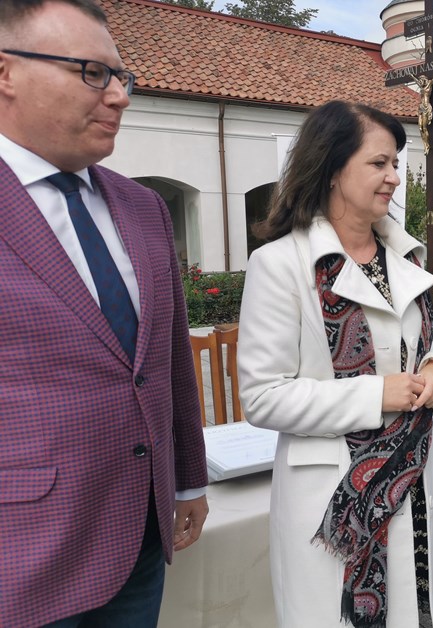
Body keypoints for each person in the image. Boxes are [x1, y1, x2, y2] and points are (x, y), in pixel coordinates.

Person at [0, 1, 209, 626]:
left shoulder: (143, 207)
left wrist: (188, 479)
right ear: (5, 73)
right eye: (92, 72)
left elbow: (167, 362)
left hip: (141, 537)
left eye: (122, 76)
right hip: (20, 552)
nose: (119, 96)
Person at [238, 100, 433, 628]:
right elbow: (262, 396)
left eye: (396, 163)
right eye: (379, 163)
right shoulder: (280, 264)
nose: (394, 177)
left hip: (412, 480)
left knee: (412, 613)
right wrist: (376, 395)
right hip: (335, 493)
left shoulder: (405, 256)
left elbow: (422, 346)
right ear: (333, 167)